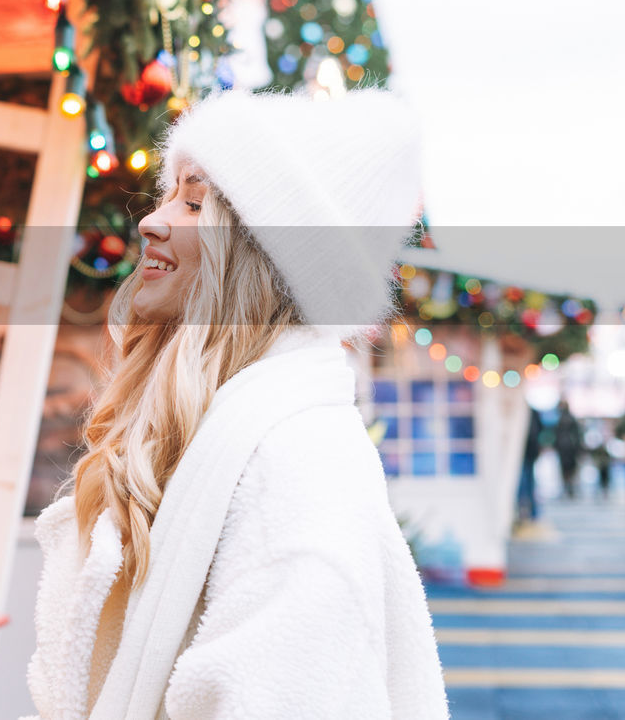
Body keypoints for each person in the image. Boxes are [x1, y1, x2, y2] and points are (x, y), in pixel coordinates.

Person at [23, 89, 447, 720]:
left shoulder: (297, 466)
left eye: (195, 202)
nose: (151, 221)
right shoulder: (218, 432)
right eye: (170, 194)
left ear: (259, 256)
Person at [517, 405, 544, 522]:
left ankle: (527, 512)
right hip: (529, 453)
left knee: (524, 483)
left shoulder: (525, 413)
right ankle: (531, 512)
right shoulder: (533, 412)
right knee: (528, 483)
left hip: (526, 454)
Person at [553, 399, 583, 499]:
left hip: (566, 449)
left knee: (566, 470)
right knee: (570, 469)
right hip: (569, 449)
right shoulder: (569, 419)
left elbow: (557, 436)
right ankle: (569, 488)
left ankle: (568, 488)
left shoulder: (561, 419)